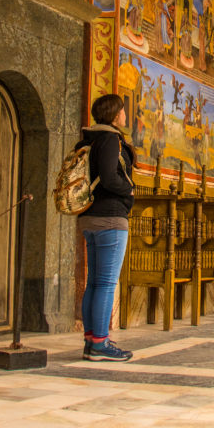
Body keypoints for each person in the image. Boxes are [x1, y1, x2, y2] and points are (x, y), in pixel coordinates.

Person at [76, 94, 135, 362]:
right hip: (111, 218)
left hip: (89, 217)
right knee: (107, 283)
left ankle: (91, 340)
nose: (125, 114)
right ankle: (100, 344)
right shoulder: (110, 138)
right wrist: (129, 190)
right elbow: (111, 177)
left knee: (94, 283)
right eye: (122, 110)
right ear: (115, 114)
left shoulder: (87, 138)